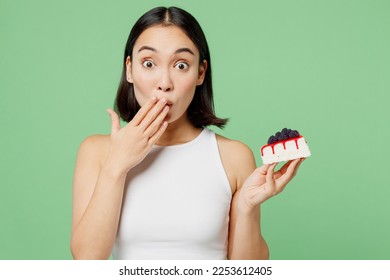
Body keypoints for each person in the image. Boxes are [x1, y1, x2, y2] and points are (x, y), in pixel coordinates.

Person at [70, 6, 304, 260]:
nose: (164, 82)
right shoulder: (96, 152)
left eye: (181, 65)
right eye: (149, 63)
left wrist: (246, 207)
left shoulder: (233, 156)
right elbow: (87, 260)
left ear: (200, 73)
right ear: (129, 69)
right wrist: (116, 166)